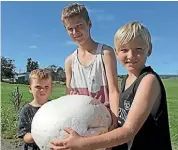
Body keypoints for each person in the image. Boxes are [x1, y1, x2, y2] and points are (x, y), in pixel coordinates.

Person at [50, 21, 172, 150]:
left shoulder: (149, 81)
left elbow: (129, 130)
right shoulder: (126, 80)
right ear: (116, 52)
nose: (130, 55)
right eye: (124, 50)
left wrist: (82, 143)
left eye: (138, 49)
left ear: (150, 50)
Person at [62, 3, 119, 129]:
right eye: (70, 29)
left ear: (89, 24)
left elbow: (114, 90)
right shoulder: (69, 61)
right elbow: (69, 96)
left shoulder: (105, 53)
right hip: (80, 122)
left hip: (104, 120)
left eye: (79, 26)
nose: (75, 32)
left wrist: (115, 121)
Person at [18, 69, 52, 150]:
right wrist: (38, 135)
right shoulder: (26, 110)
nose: (42, 90)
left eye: (46, 86)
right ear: (30, 88)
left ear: (51, 87)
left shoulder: (54, 106)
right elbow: (24, 136)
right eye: (38, 87)